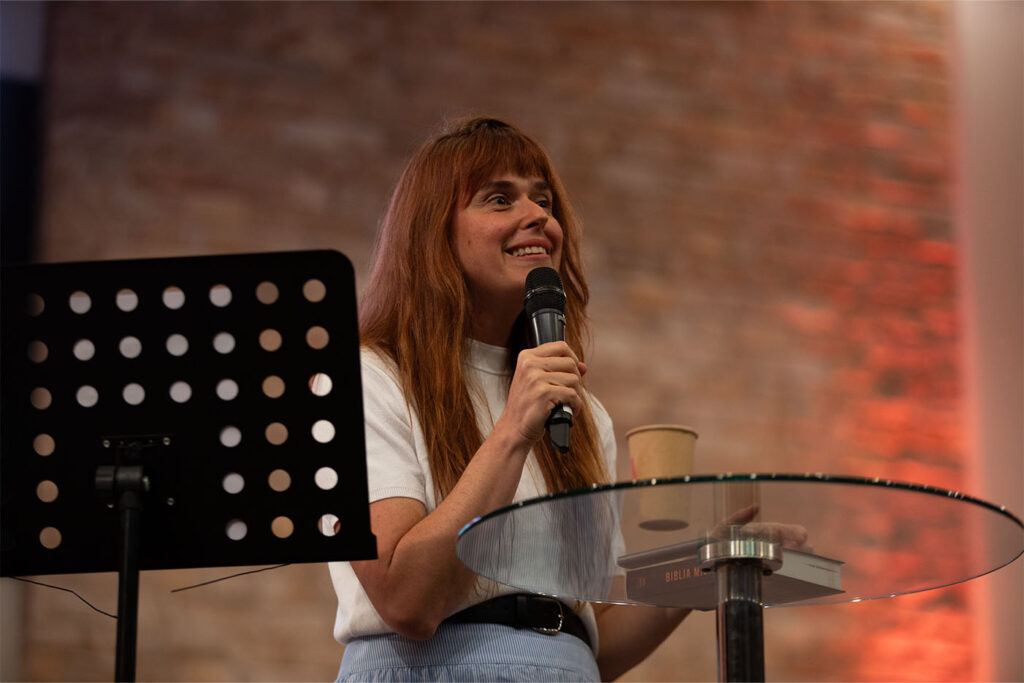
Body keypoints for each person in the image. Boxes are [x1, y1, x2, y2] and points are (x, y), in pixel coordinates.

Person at [328, 117, 690, 682]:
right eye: (499, 198)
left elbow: (588, 634)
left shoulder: (582, 413)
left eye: (543, 200)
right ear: (434, 233)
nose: (538, 216)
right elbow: (406, 599)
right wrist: (513, 432)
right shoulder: (370, 377)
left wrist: (701, 576)